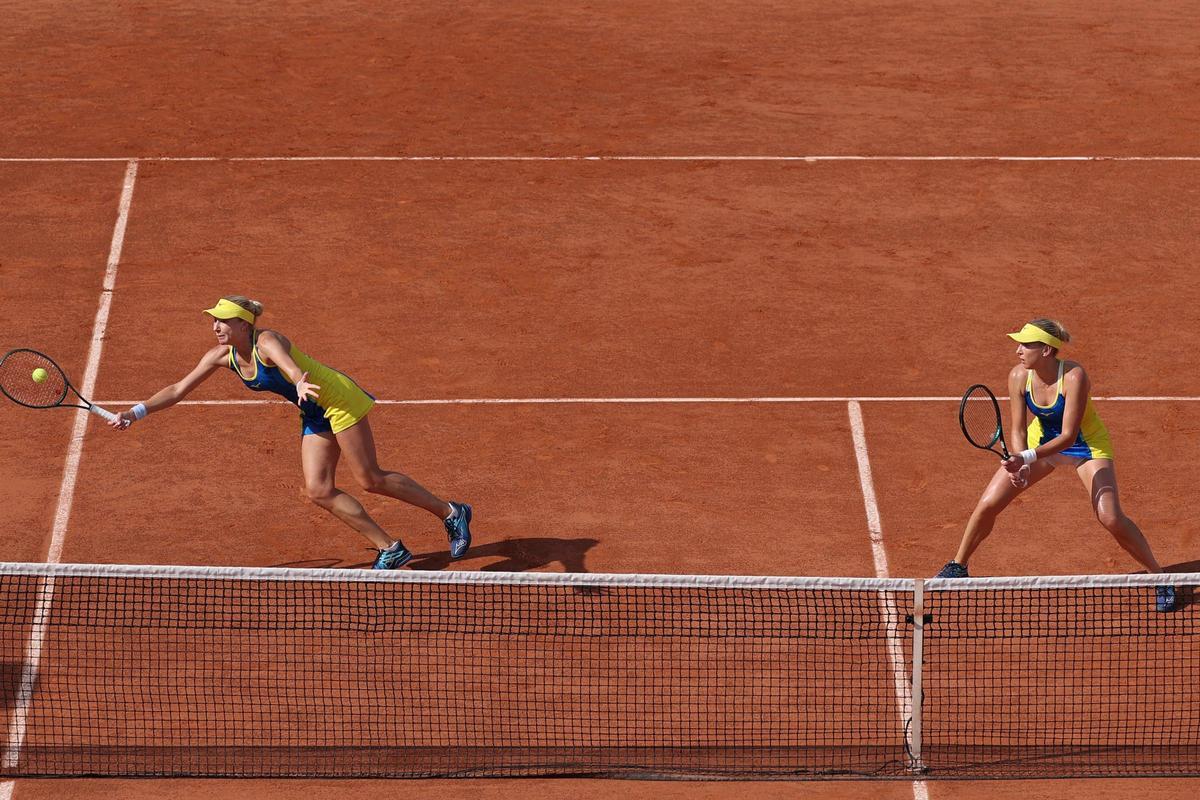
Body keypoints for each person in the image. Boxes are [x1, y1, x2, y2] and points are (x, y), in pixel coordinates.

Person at [108, 296, 471, 569]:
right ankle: (390, 548)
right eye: (214, 321)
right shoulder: (221, 356)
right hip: (313, 410)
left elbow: (289, 365)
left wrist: (298, 381)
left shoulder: (267, 341)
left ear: (244, 324)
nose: (216, 327)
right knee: (319, 490)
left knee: (370, 479)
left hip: (337, 399)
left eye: (223, 321)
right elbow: (177, 389)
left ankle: (451, 512)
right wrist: (135, 413)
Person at [935, 318, 1175, 612]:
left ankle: (1161, 577)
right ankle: (958, 565)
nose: (1018, 350)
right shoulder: (1018, 376)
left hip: (1086, 445)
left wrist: (1027, 458)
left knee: (1110, 517)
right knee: (988, 503)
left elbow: (1069, 436)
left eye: (1026, 345)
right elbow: (1018, 429)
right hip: (1040, 443)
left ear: (1046, 350)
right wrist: (1021, 462)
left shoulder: (1074, 377)